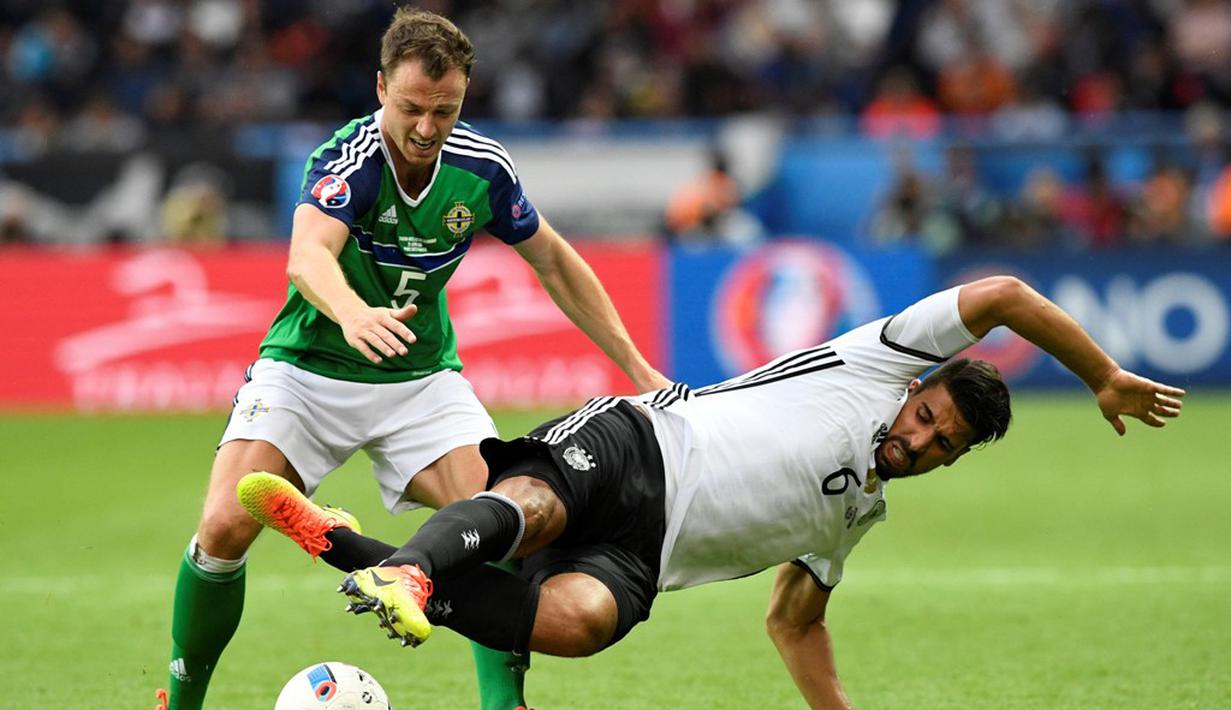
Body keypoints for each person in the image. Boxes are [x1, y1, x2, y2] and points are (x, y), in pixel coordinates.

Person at [237, 275, 1184, 709]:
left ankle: (342, 545)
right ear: (918, 387)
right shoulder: (875, 362)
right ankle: (405, 571)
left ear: (950, 461)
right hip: (649, 440)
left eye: (943, 443)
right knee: (530, 510)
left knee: (571, 622)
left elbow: (795, 623)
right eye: (929, 414)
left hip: (644, 554)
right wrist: (1101, 374)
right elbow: (1008, 295)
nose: (922, 435)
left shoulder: (853, 517)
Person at [156, 8, 668, 710]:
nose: (426, 128)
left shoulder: (481, 170)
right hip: (308, 370)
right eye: (411, 109)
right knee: (222, 526)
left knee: (500, 518)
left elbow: (553, 260)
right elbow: (308, 256)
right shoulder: (347, 161)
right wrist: (352, 311)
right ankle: (183, 704)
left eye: (445, 111)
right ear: (379, 89)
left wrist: (638, 368)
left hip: (419, 380)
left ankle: (502, 704)